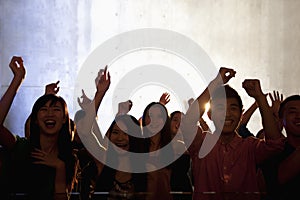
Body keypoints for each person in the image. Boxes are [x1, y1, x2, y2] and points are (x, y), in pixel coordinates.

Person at [181, 67, 285, 200]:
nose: (227, 114)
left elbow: (275, 144)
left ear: (241, 115)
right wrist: (215, 84)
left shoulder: (250, 147)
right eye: (220, 108)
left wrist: (260, 97)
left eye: (233, 108)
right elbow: (188, 122)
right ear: (209, 114)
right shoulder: (201, 143)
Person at [0, 57, 76, 200]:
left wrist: (59, 167)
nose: (50, 113)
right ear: (35, 119)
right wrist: (17, 80)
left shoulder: (67, 158)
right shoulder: (21, 147)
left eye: (56, 109)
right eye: (44, 109)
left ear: (64, 119)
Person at [261, 94, 300, 199]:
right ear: (282, 119)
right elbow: (280, 177)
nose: (299, 116)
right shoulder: (273, 151)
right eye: (293, 112)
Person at [141, 101, 174, 200]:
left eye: (159, 116)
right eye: (150, 116)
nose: (153, 121)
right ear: (144, 119)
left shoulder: (174, 147)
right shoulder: (138, 148)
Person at [169, 110, 193, 199]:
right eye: (175, 120)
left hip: (184, 190)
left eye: (182, 121)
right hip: (167, 190)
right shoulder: (161, 145)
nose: (178, 123)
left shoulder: (190, 144)